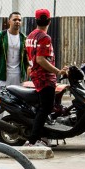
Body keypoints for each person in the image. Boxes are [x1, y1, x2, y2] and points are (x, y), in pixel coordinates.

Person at [24, 8, 66, 147]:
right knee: (46, 108)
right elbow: (41, 60)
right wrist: (58, 71)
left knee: (44, 108)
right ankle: (33, 140)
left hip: (36, 76)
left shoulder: (30, 36)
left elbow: (29, 57)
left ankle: (41, 136)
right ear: (49, 21)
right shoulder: (44, 37)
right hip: (44, 78)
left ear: (36, 20)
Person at [0, 11, 28, 139]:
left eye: (19, 20)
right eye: (15, 19)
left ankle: (16, 127)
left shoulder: (23, 38)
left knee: (17, 103)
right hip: (2, 75)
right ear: (9, 21)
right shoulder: (1, 36)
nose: (17, 22)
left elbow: (27, 59)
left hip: (18, 76)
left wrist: (29, 71)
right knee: (0, 102)